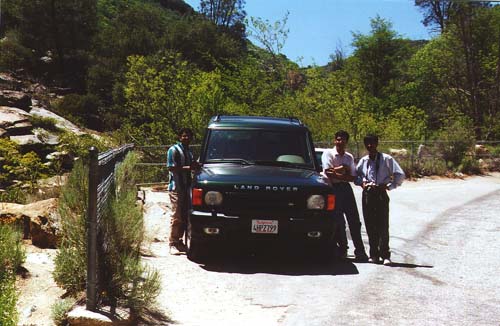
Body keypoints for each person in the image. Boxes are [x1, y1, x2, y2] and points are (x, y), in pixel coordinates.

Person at [355, 134, 405, 266]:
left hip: (380, 193)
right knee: (370, 225)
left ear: (377, 144)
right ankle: (374, 254)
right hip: (368, 194)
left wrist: (389, 186)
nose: (370, 146)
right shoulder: (364, 161)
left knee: (383, 225)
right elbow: (356, 175)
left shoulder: (386, 159)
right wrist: (362, 184)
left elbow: (400, 174)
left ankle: (385, 254)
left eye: (372, 143)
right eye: (367, 143)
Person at [322, 130, 368, 261]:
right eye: (337, 139)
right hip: (334, 188)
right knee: (338, 221)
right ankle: (343, 249)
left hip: (346, 189)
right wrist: (343, 169)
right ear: (334, 140)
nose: (339, 142)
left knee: (354, 220)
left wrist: (339, 172)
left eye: (342, 140)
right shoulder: (328, 154)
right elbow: (328, 173)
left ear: (346, 142)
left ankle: (360, 251)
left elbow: (353, 177)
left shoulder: (349, 157)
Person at [167, 128, 199, 255]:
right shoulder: (173, 150)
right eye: (184, 136)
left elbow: (192, 165)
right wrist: (189, 168)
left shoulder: (189, 152)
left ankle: (180, 241)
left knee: (185, 216)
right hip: (176, 188)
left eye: (189, 136)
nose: (186, 138)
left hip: (187, 187)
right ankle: (173, 243)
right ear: (179, 137)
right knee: (176, 216)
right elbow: (171, 167)